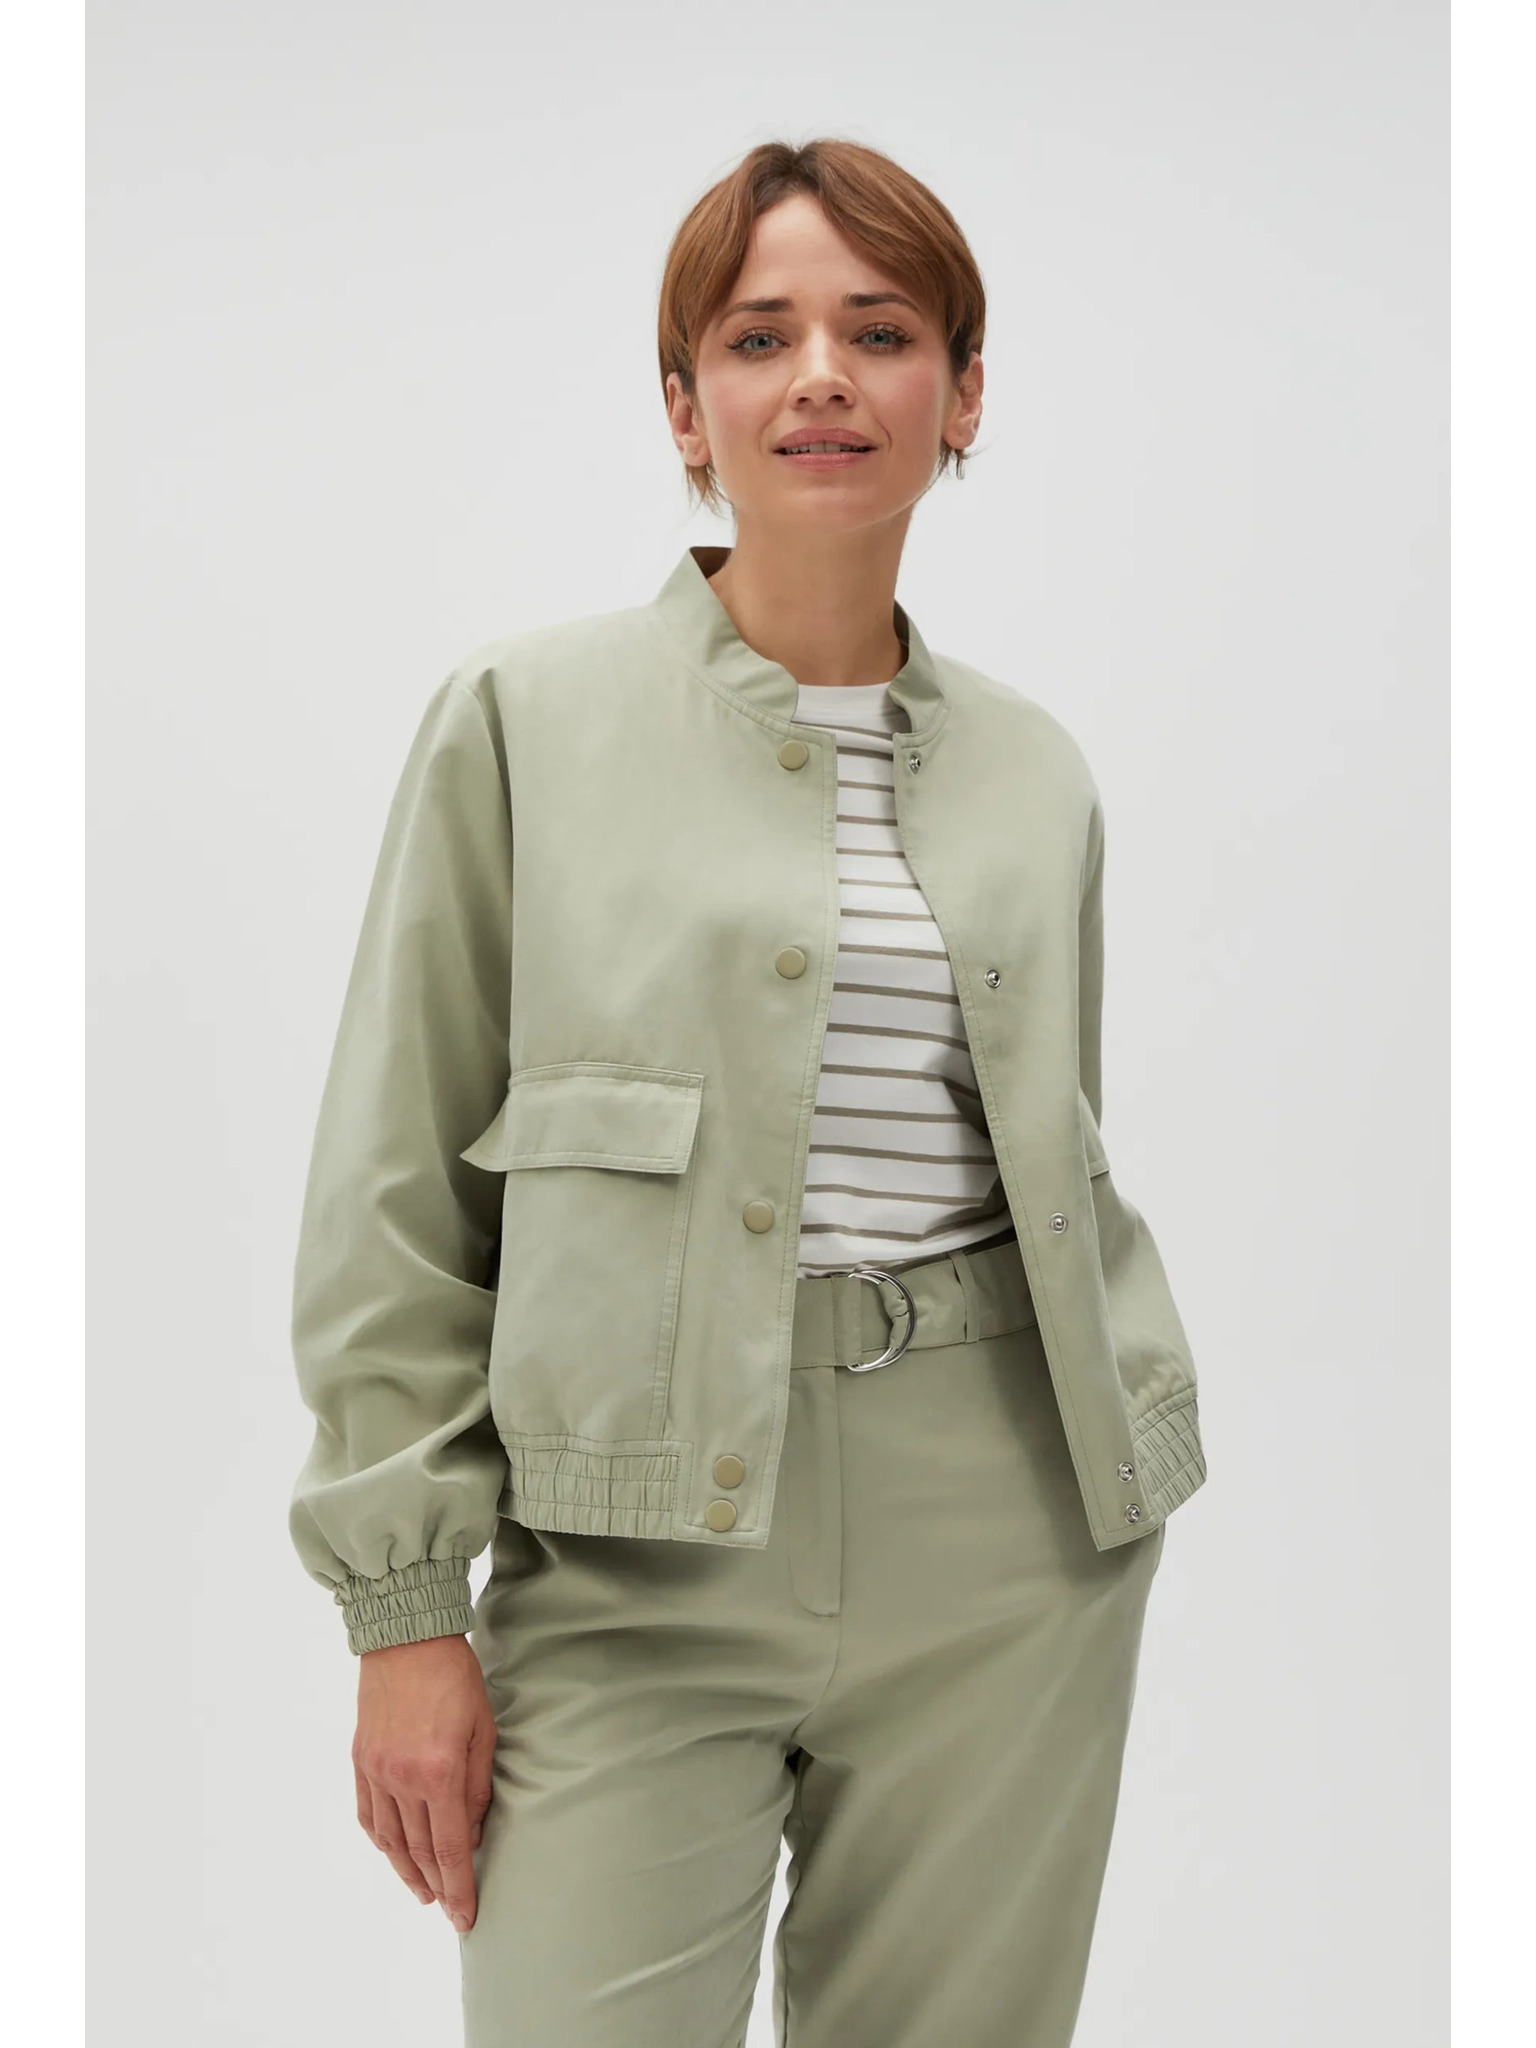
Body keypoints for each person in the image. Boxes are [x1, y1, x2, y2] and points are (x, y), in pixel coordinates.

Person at [289, 136, 1207, 2048]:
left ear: (963, 394)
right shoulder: (522, 719)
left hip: (1010, 1541)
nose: (822, 378)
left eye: (883, 332)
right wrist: (405, 1614)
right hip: (630, 1553)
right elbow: (397, 1186)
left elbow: (1053, 1162)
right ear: (685, 404)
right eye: (760, 335)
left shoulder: (1036, 771)